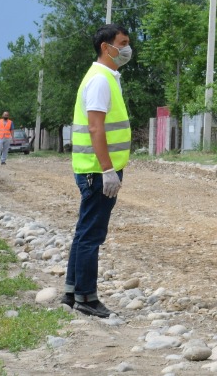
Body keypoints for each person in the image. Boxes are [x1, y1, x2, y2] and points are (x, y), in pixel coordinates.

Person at [63, 24, 132, 318]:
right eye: (123, 43)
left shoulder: (106, 77)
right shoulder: (101, 80)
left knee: (84, 232)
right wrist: (108, 170)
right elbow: (95, 127)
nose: (128, 49)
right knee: (92, 235)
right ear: (106, 47)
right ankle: (86, 297)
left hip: (93, 168)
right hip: (97, 170)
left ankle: (71, 291)